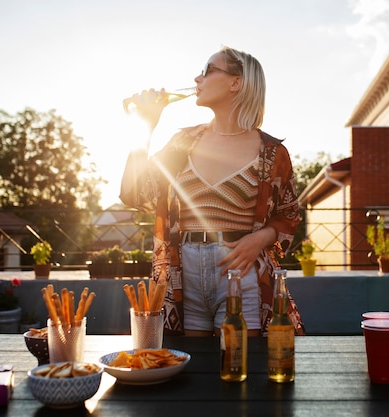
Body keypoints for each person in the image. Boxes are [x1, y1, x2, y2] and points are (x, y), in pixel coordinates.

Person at [120, 46, 305, 337]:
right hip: (185, 278)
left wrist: (260, 238)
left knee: (239, 368)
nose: (197, 78)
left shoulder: (272, 153)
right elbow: (134, 193)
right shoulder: (183, 142)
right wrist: (145, 127)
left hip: (240, 275)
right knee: (195, 371)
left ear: (236, 82)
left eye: (208, 70)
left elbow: (289, 216)